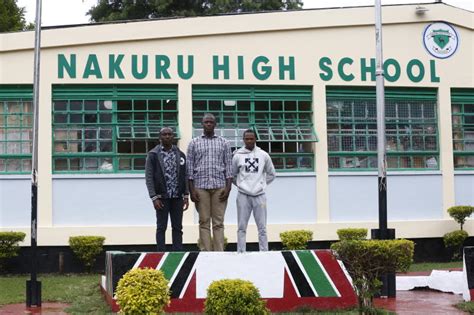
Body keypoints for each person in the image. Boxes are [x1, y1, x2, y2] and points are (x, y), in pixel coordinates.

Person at [187, 113, 233, 251]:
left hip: (220, 187)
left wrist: (228, 188)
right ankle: (206, 252)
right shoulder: (194, 143)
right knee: (204, 221)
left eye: (211, 122)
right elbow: (189, 168)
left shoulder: (224, 142)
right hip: (200, 187)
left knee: (218, 222)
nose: (208, 124)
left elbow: (229, 167)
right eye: (206, 122)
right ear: (202, 124)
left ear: (215, 124)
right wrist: (191, 190)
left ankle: (219, 252)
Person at [145, 127, 189, 251]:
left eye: (170, 134)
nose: (167, 136)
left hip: (177, 197)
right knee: (161, 227)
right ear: (160, 137)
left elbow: (185, 175)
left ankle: (178, 252)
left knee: (177, 227)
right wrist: (154, 197)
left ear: (173, 137)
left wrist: (186, 195)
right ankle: (160, 253)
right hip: (161, 198)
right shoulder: (153, 155)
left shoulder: (180, 154)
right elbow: (149, 178)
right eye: (164, 134)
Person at [232, 129, 276, 252]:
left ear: (255, 139)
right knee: (241, 227)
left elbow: (272, 174)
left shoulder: (264, 155)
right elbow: (232, 175)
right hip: (243, 195)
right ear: (243, 140)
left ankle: (264, 252)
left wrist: (261, 185)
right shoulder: (237, 156)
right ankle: (241, 252)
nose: (249, 141)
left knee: (262, 228)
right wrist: (241, 185)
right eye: (247, 139)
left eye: (252, 138)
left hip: (259, 195)